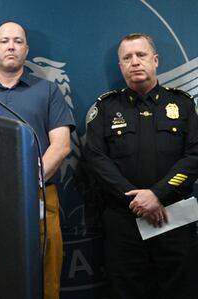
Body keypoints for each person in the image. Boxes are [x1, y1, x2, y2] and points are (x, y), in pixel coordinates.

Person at [83, 33, 198, 298]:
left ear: (155, 60)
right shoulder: (106, 108)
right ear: (121, 66)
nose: (135, 62)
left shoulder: (183, 105)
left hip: (174, 218)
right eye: (127, 58)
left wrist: (157, 194)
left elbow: (195, 157)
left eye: (141, 55)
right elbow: (97, 160)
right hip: (124, 223)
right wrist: (136, 200)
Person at [0, 22, 74, 299]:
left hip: (40, 198)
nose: (10, 46)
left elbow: (60, 146)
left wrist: (27, 184)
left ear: (26, 48)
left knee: (46, 284)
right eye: (4, 41)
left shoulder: (48, 91)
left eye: (17, 41)